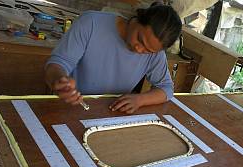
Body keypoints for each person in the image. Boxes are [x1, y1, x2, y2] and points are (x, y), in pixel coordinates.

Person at [45, 2, 181, 114]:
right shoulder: (91, 23)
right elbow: (57, 64)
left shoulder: (155, 53)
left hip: (112, 112)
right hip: (73, 107)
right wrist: (59, 80)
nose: (139, 49)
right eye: (140, 39)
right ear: (138, 19)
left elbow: (166, 88)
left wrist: (139, 100)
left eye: (147, 51)